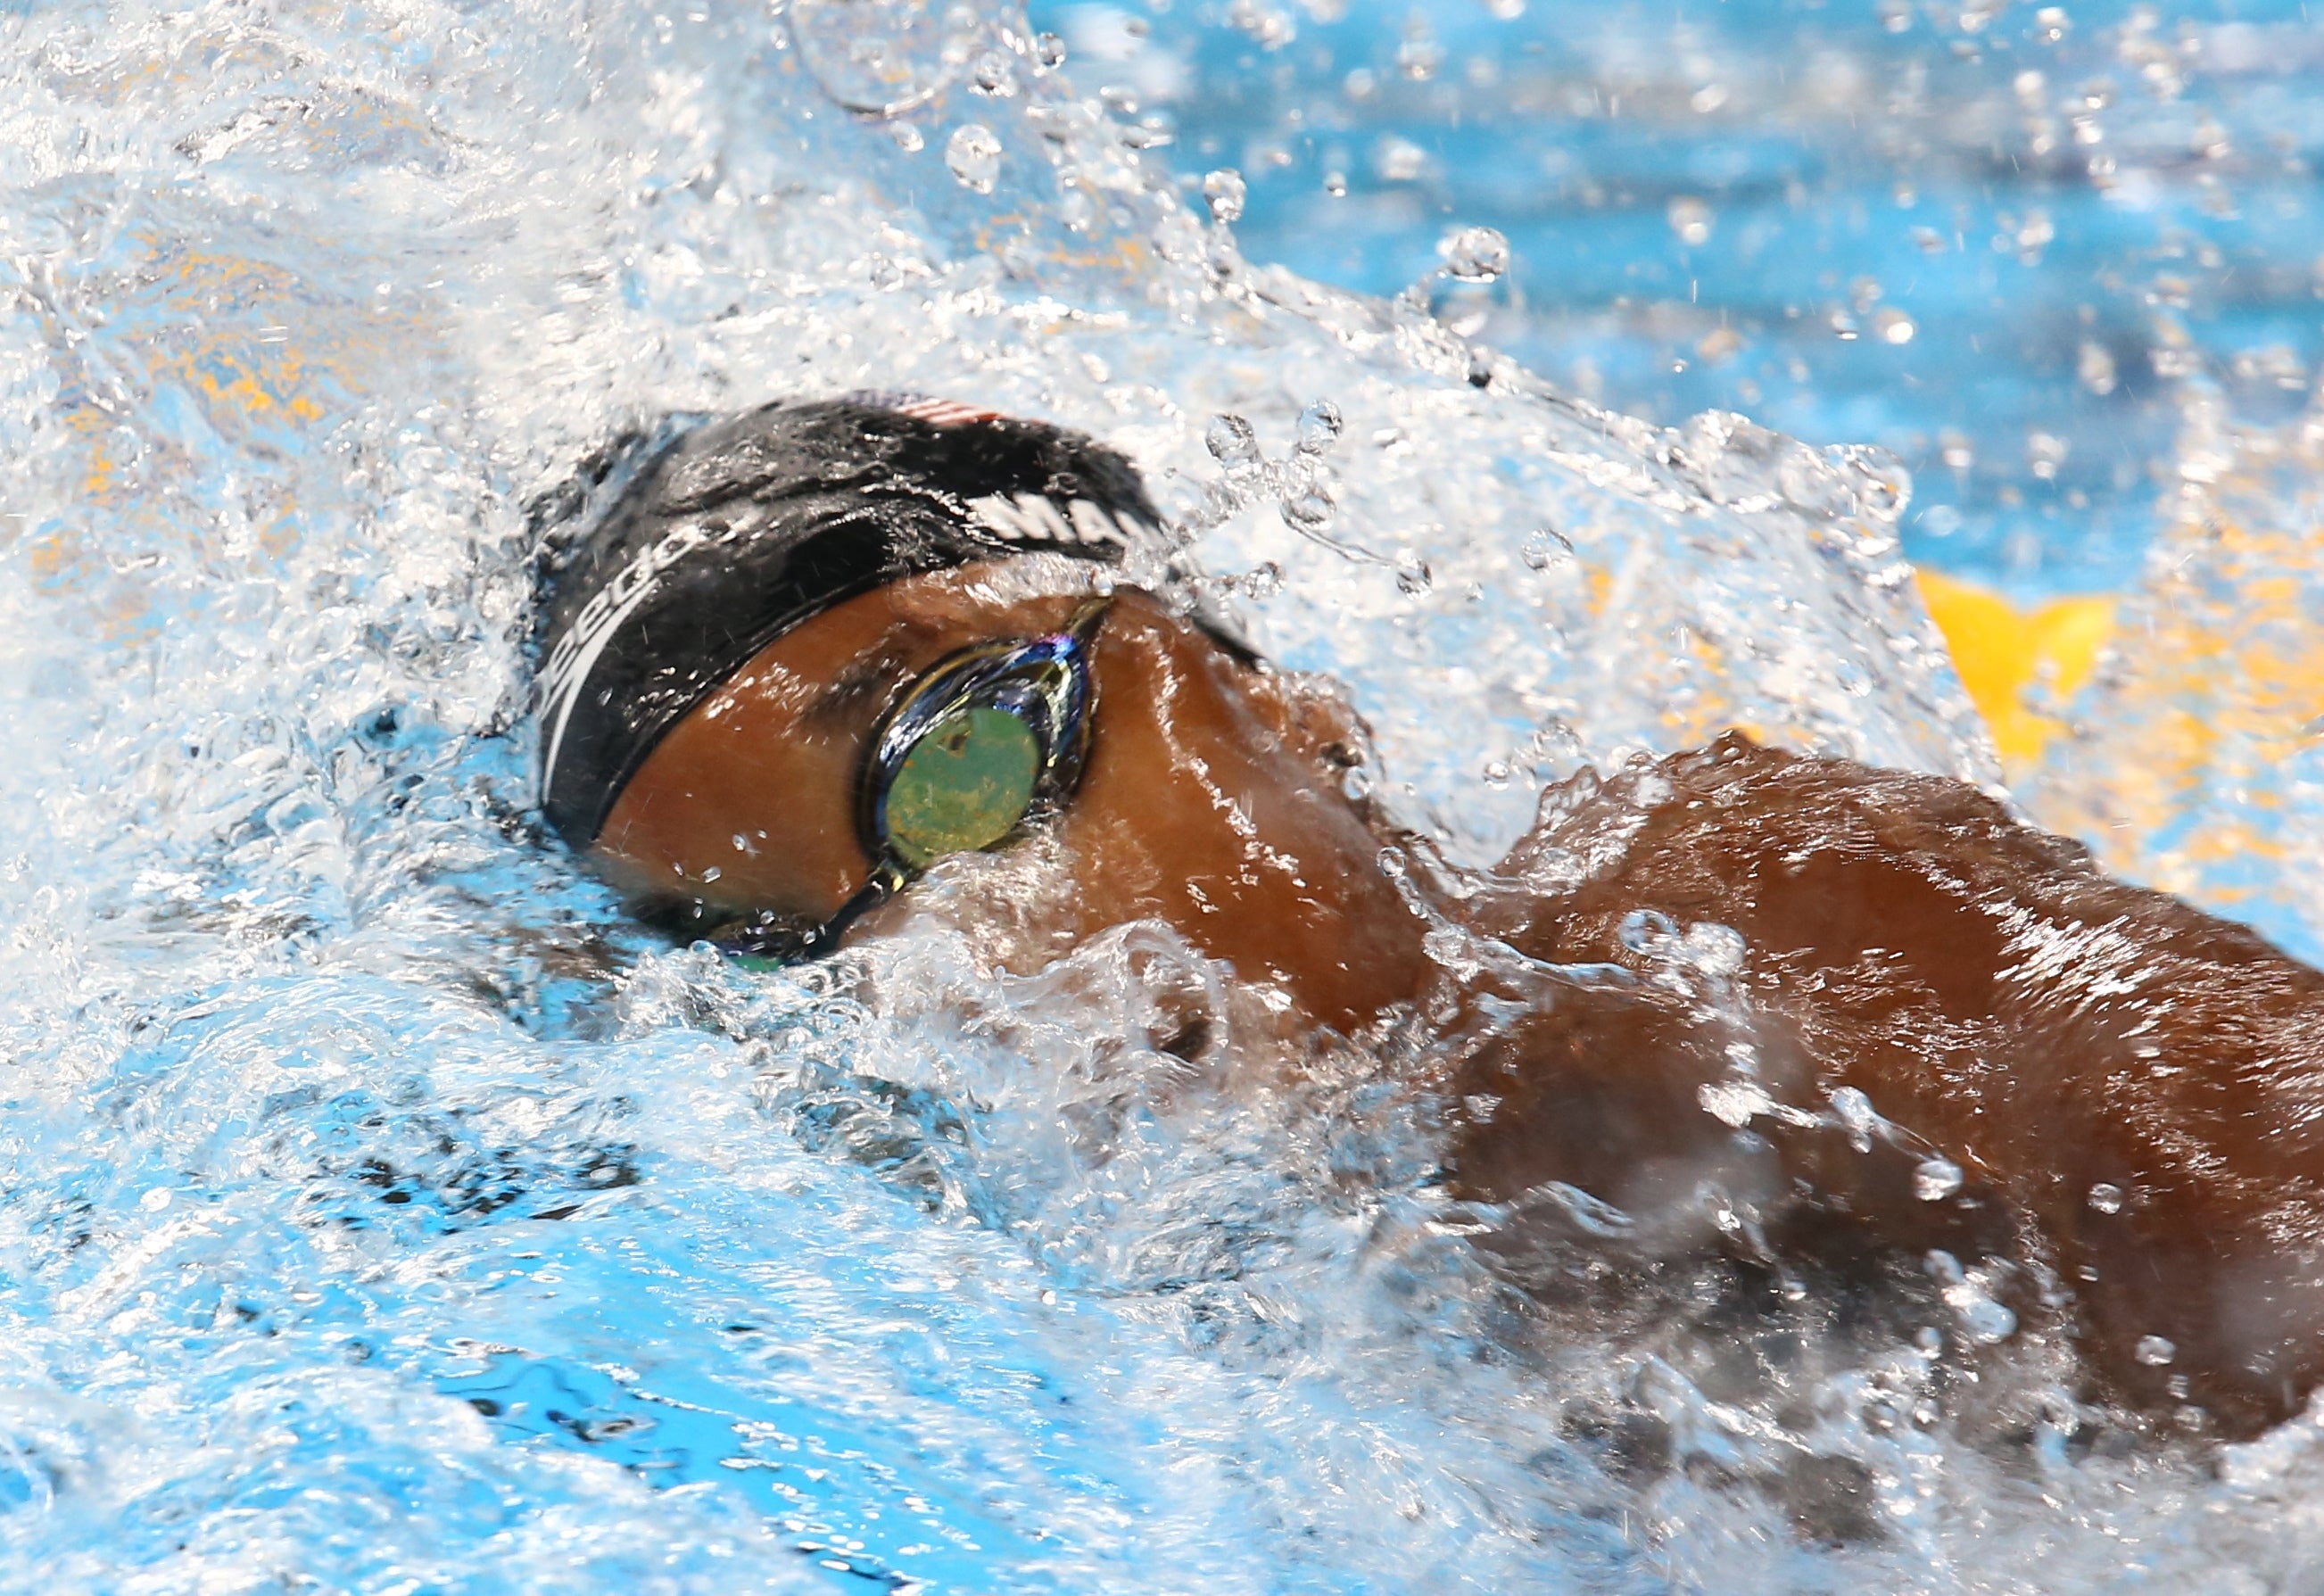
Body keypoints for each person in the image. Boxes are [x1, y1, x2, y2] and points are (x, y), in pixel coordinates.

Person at [535, 394, 2324, 1443]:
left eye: (962, 770)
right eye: (798, 954)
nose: (976, 961)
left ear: (1286, 706)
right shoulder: (1258, 1361)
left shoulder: (1732, 910)